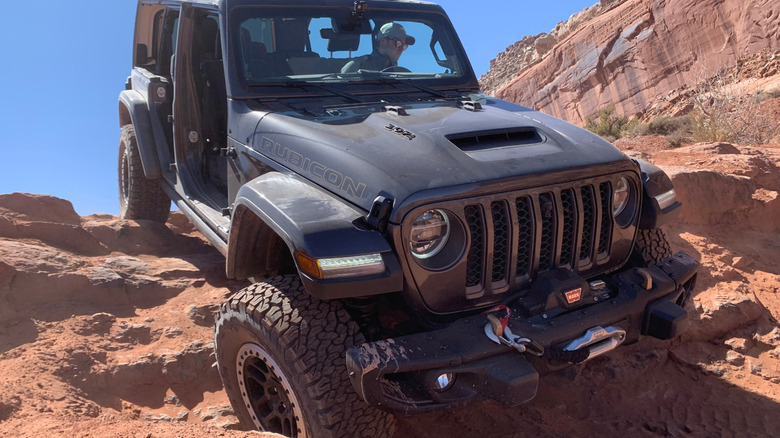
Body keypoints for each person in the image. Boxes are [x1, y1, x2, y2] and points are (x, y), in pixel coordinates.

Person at [341, 22, 415, 72]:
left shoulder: (402, 75)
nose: (401, 49)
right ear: (383, 41)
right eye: (398, 43)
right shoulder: (357, 66)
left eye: (404, 46)